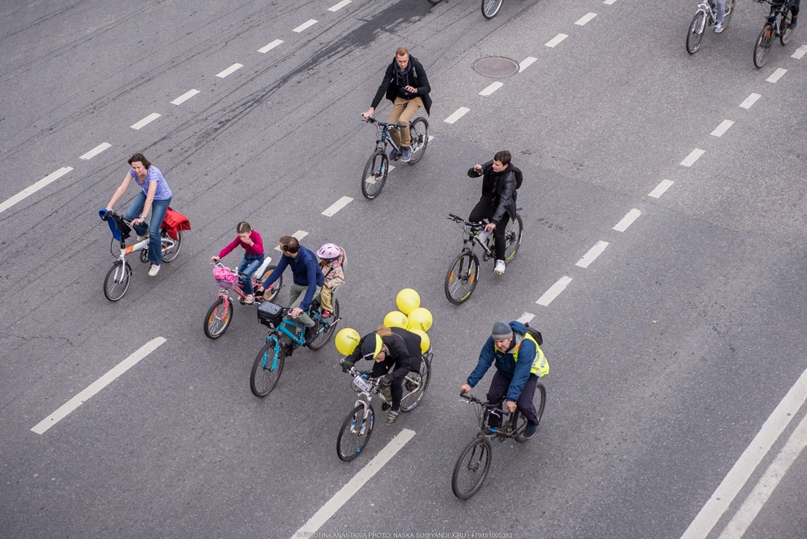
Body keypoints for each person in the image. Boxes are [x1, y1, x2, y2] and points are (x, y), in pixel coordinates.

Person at [460, 320, 547, 443]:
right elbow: (484, 361)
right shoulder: (493, 341)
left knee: (523, 404)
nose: (498, 345)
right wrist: (470, 383)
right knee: (493, 397)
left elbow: (521, 374)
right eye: (496, 342)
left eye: (502, 342)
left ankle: (533, 421)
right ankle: (495, 426)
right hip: (506, 370)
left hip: (528, 374)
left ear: (510, 338)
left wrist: (511, 398)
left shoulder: (526, 346)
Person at [106, 153, 173, 277]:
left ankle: (156, 262)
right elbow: (122, 188)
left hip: (161, 198)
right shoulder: (132, 172)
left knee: (154, 232)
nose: (136, 170)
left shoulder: (153, 173)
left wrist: (142, 217)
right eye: (134, 167)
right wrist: (109, 206)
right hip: (146, 193)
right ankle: (143, 232)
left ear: (145, 165)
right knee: (130, 215)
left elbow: (150, 198)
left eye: (138, 168)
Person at [362, 46, 432, 163]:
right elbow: (383, 87)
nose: (403, 64)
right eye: (400, 61)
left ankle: (406, 147)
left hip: (415, 97)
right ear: (396, 58)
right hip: (401, 97)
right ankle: (400, 147)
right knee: (390, 126)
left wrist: (415, 90)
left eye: (405, 61)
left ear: (408, 58)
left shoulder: (416, 67)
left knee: (402, 121)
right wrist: (371, 109)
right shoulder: (392, 68)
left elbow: (427, 87)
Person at [341, 326, 423, 425]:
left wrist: (390, 377)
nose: (376, 361)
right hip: (390, 350)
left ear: (382, 349)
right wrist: (350, 360)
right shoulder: (371, 340)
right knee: (376, 375)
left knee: (396, 384)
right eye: (375, 359)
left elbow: (405, 367)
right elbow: (360, 348)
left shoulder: (398, 346)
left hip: (408, 351)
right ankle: (389, 395)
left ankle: (395, 409)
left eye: (377, 358)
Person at [258, 236, 323, 348]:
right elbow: (278, 270)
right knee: (289, 314)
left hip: (311, 286)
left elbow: (312, 284)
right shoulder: (287, 255)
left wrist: (302, 307)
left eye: (281, 247)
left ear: (288, 251)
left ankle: (313, 326)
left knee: (295, 311)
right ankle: (287, 342)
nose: (280, 249)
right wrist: (263, 286)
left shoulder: (308, 260)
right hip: (297, 284)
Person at [467, 150, 521, 276]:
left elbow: (504, 200)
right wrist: (477, 170)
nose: (493, 166)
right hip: (489, 199)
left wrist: (494, 222)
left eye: (497, 165)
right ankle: (486, 230)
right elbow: (472, 174)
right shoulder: (492, 165)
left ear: (505, 166)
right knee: (473, 218)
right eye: (494, 163)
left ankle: (500, 261)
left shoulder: (509, 178)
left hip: (503, 207)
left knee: (498, 233)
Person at [211, 222, 264, 305]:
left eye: (244, 236)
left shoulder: (256, 236)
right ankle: (245, 291)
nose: (242, 239)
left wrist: (251, 243)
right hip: (248, 257)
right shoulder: (240, 238)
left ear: (250, 231)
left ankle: (250, 294)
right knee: (236, 275)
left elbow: (260, 250)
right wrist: (219, 256)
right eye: (240, 236)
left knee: (245, 275)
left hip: (257, 258)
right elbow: (230, 246)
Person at [316, 243, 346, 318]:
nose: (321, 259)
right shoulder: (323, 262)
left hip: (327, 284)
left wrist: (327, 284)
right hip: (320, 279)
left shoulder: (336, 267)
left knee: (324, 293)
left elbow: (340, 279)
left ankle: (327, 309)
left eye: (323, 259)